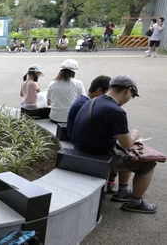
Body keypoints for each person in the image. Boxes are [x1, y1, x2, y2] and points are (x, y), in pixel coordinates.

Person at [72, 75, 157, 214]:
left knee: (128, 154)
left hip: (81, 149)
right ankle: (136, 202)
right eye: (132, 95)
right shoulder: (116, 111)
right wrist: (134, 133)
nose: (130, 98)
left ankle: (123, 191)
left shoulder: (92, 101)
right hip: (98, 155)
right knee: (148, 163)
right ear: (127, 90)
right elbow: (128, 143)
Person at [66, 75, 117, 193]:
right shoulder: (86, 104)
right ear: (100, 90)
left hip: (77, 137)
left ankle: (111, 182)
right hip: (78, 141)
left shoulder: (85, 100)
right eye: (108, 94)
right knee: (118, 152)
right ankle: (111, 184)